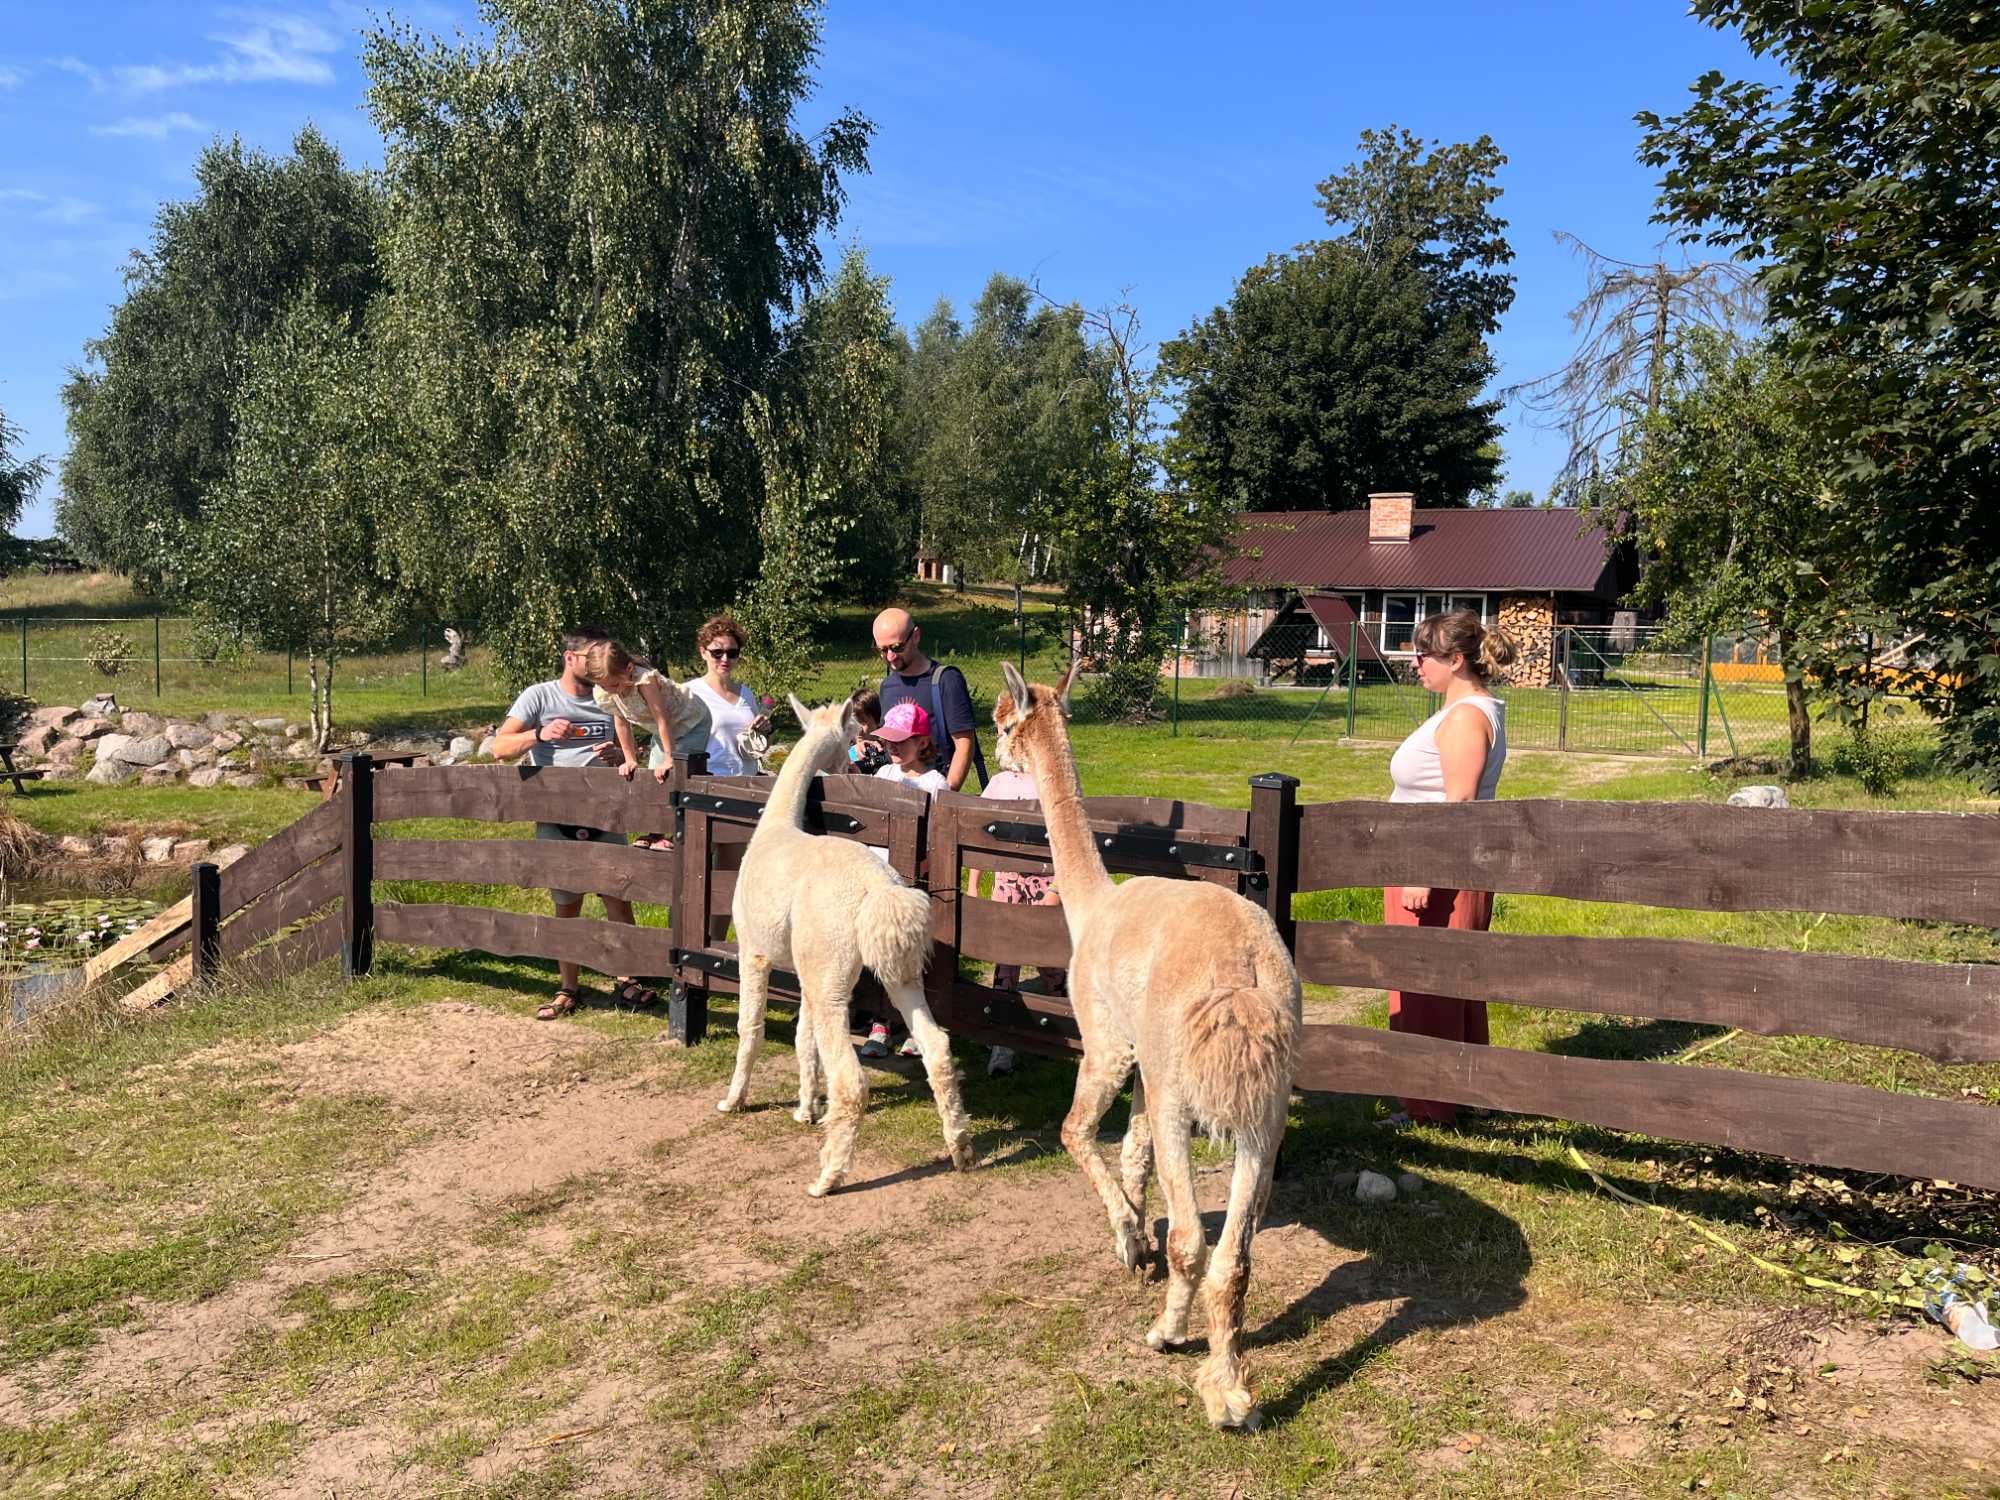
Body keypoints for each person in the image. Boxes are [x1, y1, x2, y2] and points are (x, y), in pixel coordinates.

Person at [1380, 608, 1514, 1127]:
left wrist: (1422, 873)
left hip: (1439, 873)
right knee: (1444, 984)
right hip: (1437, 867)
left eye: (1424, 656)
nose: (1415, 664)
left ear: (1456, 660)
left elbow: (1457, 805)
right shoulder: (1467, 710)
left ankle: (1431, 1108)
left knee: (1428, 985)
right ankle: (1458, 1096)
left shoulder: (1465, 717)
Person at [489, 625, 661, 1019]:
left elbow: (633, 750)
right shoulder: (540, 696)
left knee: (618, 897)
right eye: (592, 656)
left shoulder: (611, 695)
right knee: (566, 904)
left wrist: (620, 756)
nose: (601, 662)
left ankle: (627, 980)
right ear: (571, 658)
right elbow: (499, 746)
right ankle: (569, 986)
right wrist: (540, 734)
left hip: (607, 814)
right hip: (558, 819)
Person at [856, 701, 947, 1058]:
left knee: (909, 958)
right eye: (888, 739)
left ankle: (914, 1026)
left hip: (912, 883)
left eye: (901, 740)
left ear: (922, 742)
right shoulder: (883, 778)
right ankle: (881, 1022)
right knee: (880, 955)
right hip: (879, 880)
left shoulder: (934, 783)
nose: (892, 746)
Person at [970, 762, 1065, 1078]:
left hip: (1045, 880)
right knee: (1006, 958)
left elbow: (1068, 842)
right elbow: (980, 833)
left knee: (1050, 960)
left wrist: (1055, 889)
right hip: (1008, 880)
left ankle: (1064, 1028)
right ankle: (1002, 1041)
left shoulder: (1053, 781)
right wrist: (974, 883)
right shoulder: (999, 783)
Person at [584, 638, 711, 851]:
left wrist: (670, 757)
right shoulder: (607, 690)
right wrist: (630, 758)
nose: (611, 690)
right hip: (664, 730)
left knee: (677, 772)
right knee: (655, 775)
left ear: (629, 669)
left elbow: (663, 719)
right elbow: (621, 723)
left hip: (691, 722)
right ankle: (656, 832)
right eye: (604, 686)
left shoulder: (645, 681)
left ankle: (679, 831)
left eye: (614, 684)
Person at [873, 607, 985, 791]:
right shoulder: (887, 686)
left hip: (934, 792)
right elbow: (891, 738)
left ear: (916, 636)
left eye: (896, 647)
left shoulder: (946, 680)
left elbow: (965, 744)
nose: (890, 657)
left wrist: (944, 797)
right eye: (882, 650)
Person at [687, 614, 771, 777]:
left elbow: (759, 746)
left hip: (749, 784)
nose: (725, 659)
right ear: (703, 652)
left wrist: (766, 731)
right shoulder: (690, 693)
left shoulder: (746, 694)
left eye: (732, 653)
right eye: (717, 653)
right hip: (710, 783)